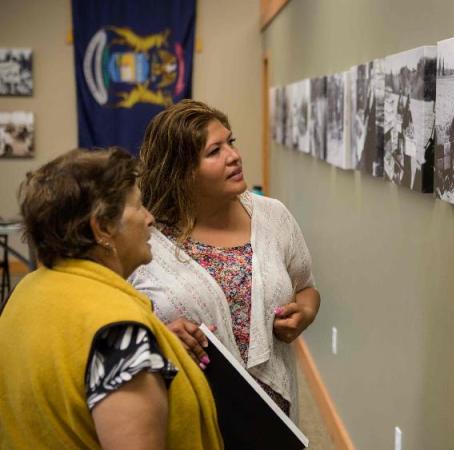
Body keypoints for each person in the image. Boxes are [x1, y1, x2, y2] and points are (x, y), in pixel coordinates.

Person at [0, 148, 222, 449]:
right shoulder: (118, 332)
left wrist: (153, 350)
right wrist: (132, 348)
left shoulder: (27, 292)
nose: (150, 219)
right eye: (139, 207)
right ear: (102, 227)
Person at [130, 100, 321, 420]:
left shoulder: (273, 217)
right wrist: (160, 338)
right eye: (214, 151)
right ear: (180, 172)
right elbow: (114, 327)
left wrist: (305, 312)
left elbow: (306, 288)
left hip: (272, 417)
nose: (234, 156)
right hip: (185, 412)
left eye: (230, 142)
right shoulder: (145, 242)